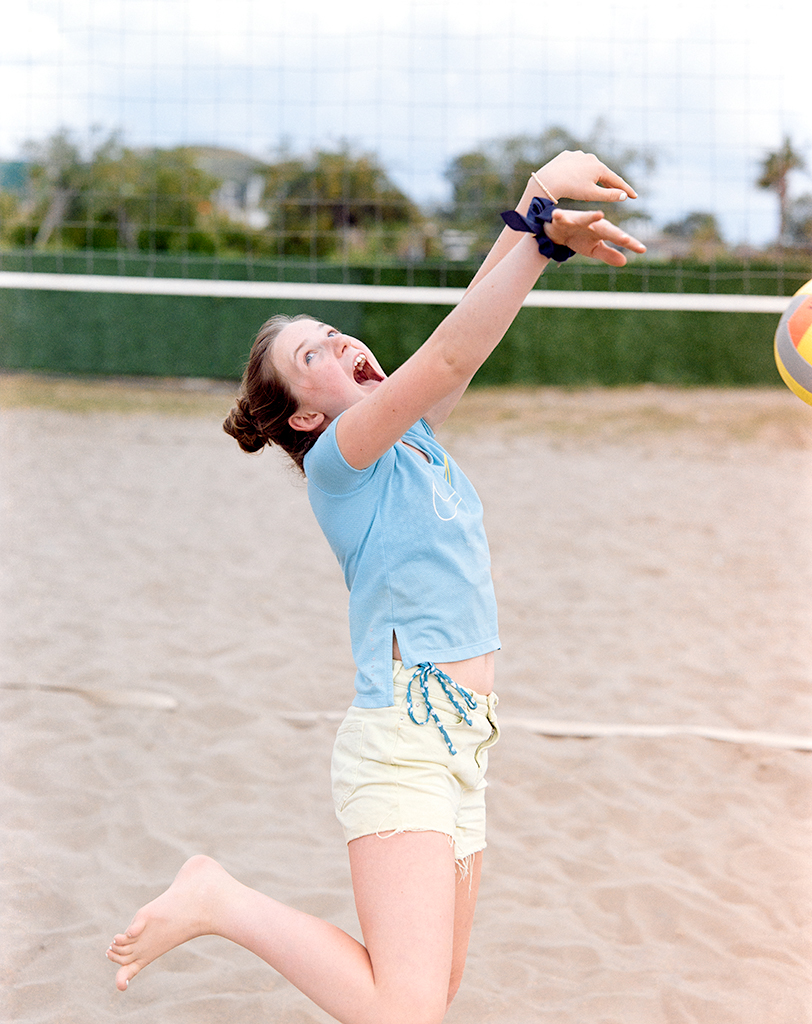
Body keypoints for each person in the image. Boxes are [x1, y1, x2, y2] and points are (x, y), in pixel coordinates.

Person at [106, 150, 645, 1024]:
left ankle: (222, 900)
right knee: (404, 1010)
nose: (344, 342)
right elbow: (449, 349)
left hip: (463, 742)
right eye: (313, 352)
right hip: (402, 740)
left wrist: (535, 211)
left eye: (331, 329)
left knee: (430, 993)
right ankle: (219, 900)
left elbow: (468, 332)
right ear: (308, 415)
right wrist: (542, 225)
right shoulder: (340, 461)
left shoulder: (415, 436)